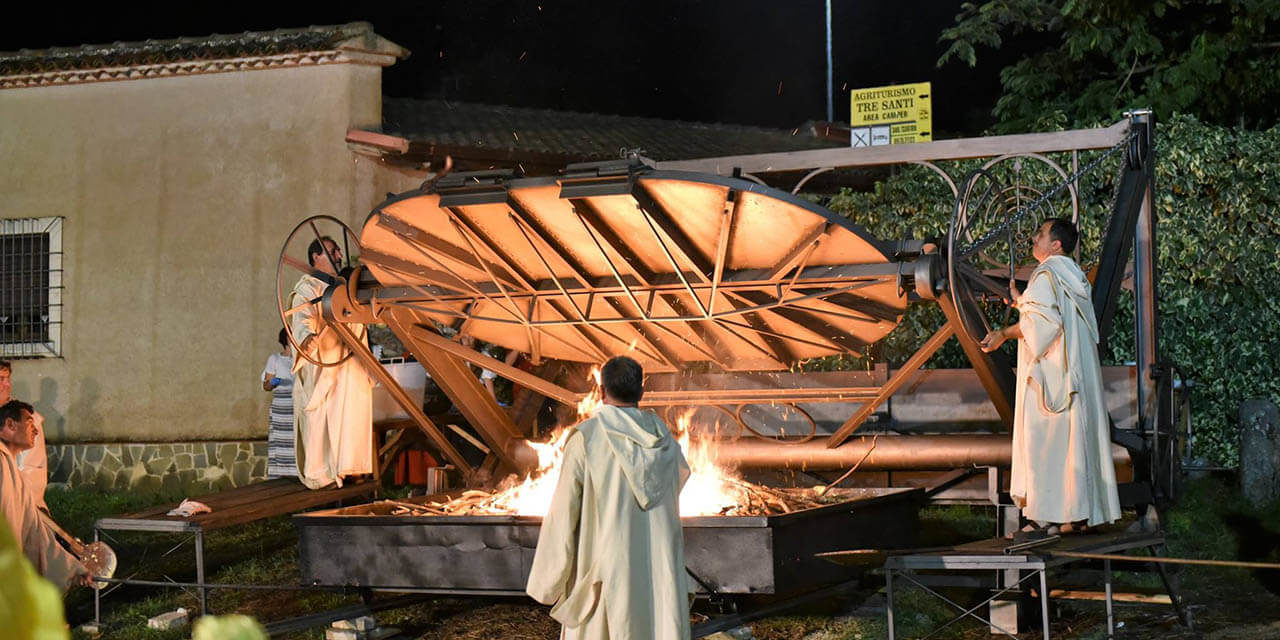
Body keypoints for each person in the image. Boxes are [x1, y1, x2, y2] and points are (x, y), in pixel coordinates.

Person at [527, 356, 693, 639]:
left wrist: (547, 581)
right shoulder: (666, 442)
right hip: (657, 568)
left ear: (601, 392)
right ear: (642, 391)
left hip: (608, 567)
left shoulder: (587, 438)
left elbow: (562, 514)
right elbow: (675, 484)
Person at [981, 218, 1122, 536]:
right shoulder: (1072, 275)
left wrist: (1003, 333)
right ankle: (1075, 513)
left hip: (1053, 378)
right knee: (1072, 442)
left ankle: (1045, 517)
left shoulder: (1046, 274)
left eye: (1041, 234)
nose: (1034, 237)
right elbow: (1052, 314)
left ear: (1056, 244)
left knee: (1046, 443)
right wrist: (1023, 303)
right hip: (1075, 376)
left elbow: (1043, 326)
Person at [289, 236, 374, 489]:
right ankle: (323, 473)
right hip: (325, 364)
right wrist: (306, 340)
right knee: (325, 417)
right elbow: (301, 318)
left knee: (353, 413)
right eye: (332, 251)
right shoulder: (307, 289)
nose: (339, 256)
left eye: (339, 251)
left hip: (351, 361)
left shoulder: (346, 287)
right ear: (315, 257)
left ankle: (353, 469)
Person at [0, 400, 91, 591]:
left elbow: (36, 534)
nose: (35, 430)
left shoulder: (15, 473)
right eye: (29, 423)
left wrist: (73, 569)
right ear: (9, 425)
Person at [1, 360, 47, 511]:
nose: (7, 385)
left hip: (21, 510)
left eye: (8, 379)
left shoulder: (28, 422)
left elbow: (33, 476)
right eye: (1, 379)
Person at [262, 330, 297, 479]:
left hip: (297, 404)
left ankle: (297, 473)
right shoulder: (275, 359)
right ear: (286, 340)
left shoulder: (302, 358)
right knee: (281, 439)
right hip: (281, 406)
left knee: (296, 439)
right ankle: (281, 474)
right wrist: (273, 382)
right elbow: (266, 386)